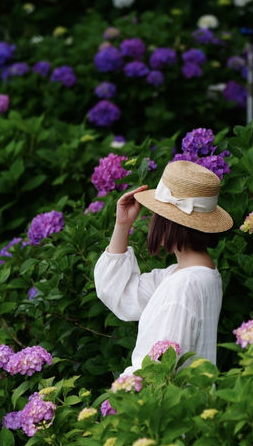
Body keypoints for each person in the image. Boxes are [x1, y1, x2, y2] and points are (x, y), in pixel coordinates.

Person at [94, 159, 233, 376]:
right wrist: (122, 226)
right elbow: (119, 294)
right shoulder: (192, 275)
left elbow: (156, 371)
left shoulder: (183, 285)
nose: (151, 221)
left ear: (168, 222)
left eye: (156, 215)